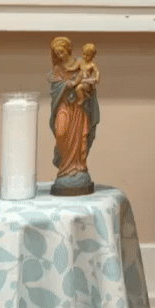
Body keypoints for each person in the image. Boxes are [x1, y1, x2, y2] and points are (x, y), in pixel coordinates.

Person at [47, 36, 101, 195]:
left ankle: (78, 167)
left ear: (68, 50)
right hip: (64, 105)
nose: (60, 56)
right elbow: (55, 88)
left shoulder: (80, 63)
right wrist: (67, 85)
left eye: (62, 52)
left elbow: (90, 79)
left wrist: (84, 86)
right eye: (57, 53)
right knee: (61, 133)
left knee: (80, 137)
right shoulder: (57, 69)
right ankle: (65, 166)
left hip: (79, 107)